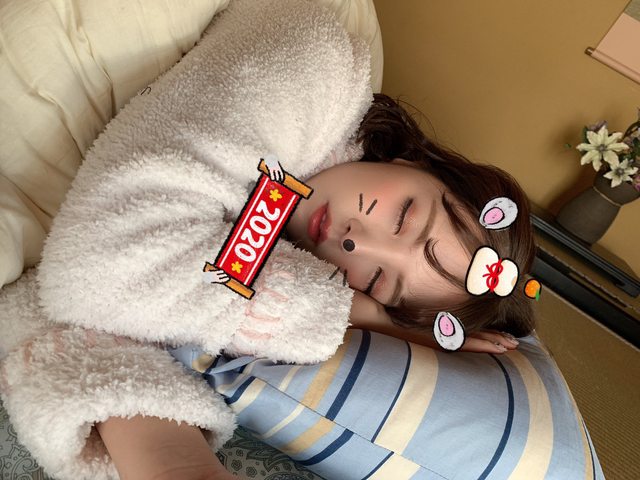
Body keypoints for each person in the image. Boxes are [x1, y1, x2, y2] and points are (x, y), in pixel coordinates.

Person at [97, 94, 535, 480]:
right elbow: (121, 265)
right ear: (417, 162)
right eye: (403, 217)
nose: (355, 242)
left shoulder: (285, 249)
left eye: (377, 279)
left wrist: (382, 323)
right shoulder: (318, 92)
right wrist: (377, 318)